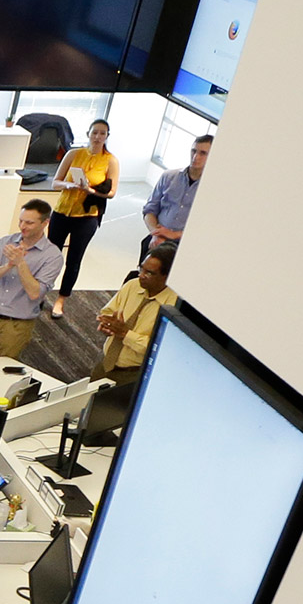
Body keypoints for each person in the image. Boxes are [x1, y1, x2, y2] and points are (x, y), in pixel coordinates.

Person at [90, 251, 178, 436]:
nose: (141, 275)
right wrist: (107, 323)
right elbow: (108, 310)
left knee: (116, 426)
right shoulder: (132, 286)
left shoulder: (174, 304)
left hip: (133, 374)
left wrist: (126, 334)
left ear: (166, 276)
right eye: (141, 268)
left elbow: (159, 347)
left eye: (149, 273)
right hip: (106, 364)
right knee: (87, 416)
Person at [44, 118, 118, 317]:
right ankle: (40, 291)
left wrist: (90, 190)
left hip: (87, 216)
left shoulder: (110, 160)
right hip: (62, 211)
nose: (97, 137)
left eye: (102, 133)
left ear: (107, 137)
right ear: (88, 134)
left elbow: (111, 193)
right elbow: (55, 183)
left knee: (74, 259)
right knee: (50, 255)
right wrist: (69, 185)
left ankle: (61, 300)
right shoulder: (74, 154)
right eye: (94, 132)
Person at [0, 201, 64, 361]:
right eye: (21, 220)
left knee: (1, 367)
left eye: (29, 222)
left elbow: (35, 293)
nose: (23, 226)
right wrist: (8, 265)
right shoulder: (5, 242)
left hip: (18, 323)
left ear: (45, 223)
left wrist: (20, 263)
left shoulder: (52, 256)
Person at [142, 131, 209, 266]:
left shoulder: (211, 190)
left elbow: (206, 227)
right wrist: (156, 234)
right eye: (193, 151)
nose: (196, 157)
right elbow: (150, 210)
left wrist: (175, 235)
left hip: (184, 246)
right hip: (156, 239)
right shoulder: (168, 177)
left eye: (203, 153)